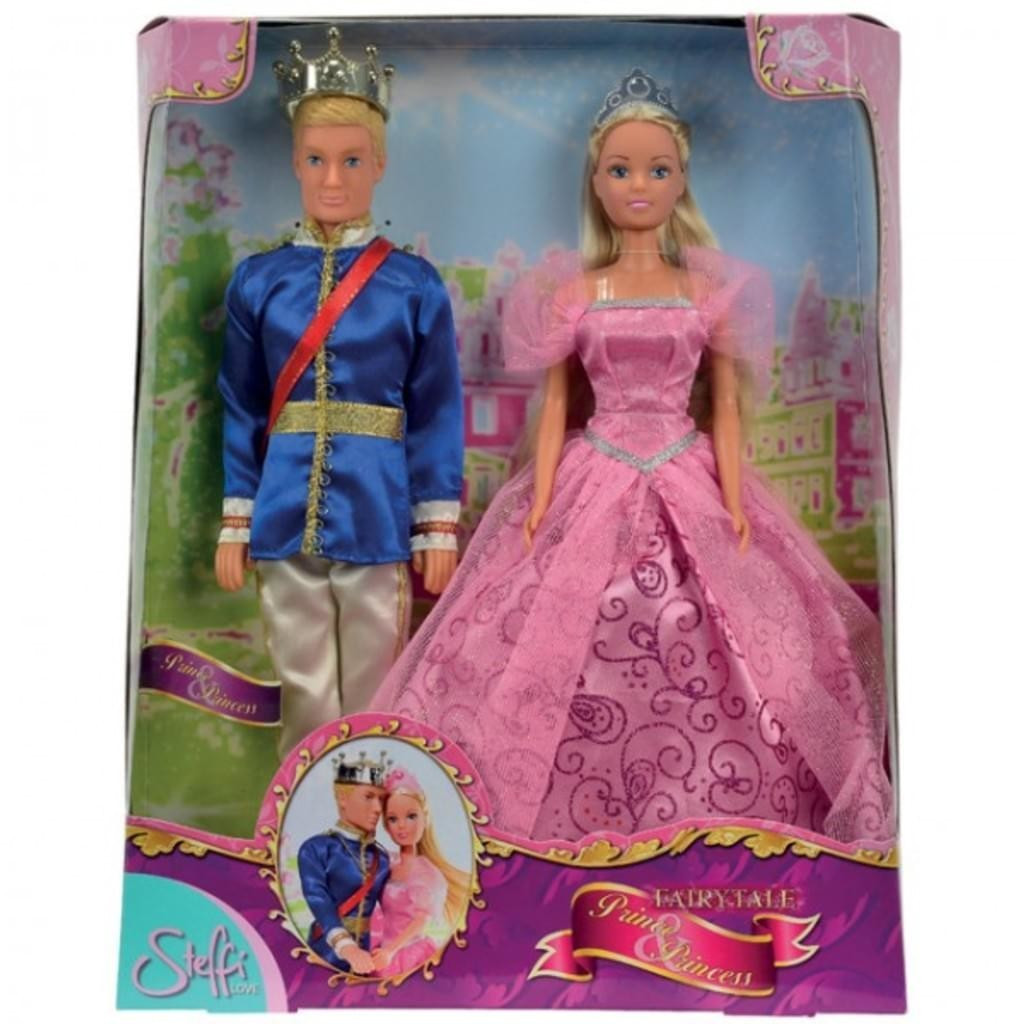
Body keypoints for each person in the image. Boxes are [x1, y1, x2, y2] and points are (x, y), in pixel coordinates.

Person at [369, 69, 893, 845]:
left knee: (718, 634)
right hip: (596, 467)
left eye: (656, 170)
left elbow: (724, 405)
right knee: (555, 634)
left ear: (681, 182)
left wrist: (736, 503)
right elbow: (556, 408)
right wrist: (539, 502)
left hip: (687, 466)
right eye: (620, 170)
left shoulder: (709, 290)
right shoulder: (574, 292)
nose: (638, 186)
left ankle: (726, 812)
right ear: (596, 182)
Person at [213, 26, 464, 756]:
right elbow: (242, 401)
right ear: (295, 162)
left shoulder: (412, 283)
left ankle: (372, 801)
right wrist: (236, 519)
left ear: (379, 164)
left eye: (351, 160)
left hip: (377, 507)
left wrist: (436, 525)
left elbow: (436, 407)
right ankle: (303, 808)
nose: (333, 179)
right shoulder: (259, 281)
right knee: (304, 684)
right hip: (282, 508)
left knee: (375, 683)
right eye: (317, 160)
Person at [298, 750, 392, 973]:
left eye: (381, 799)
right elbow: (317, 898)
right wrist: (345, 946)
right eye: (369, 796)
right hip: (324, 953)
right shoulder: (317, 849)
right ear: (343, 798)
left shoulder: (381, 858)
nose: (378, 808)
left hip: (368, 958)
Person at [370, 768, 470, 978]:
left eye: (411, 816)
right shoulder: (388, 861)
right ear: (386, 826)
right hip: (379, 949)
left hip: (406, 953)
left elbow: (420, 921)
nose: (402, 826)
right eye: (393, 819)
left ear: (425, 818)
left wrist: (391, 951)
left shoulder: (426, 874)